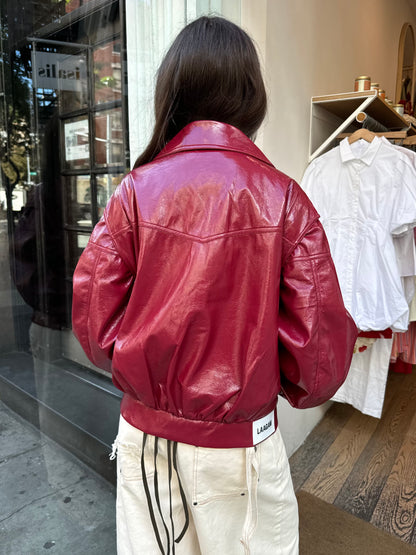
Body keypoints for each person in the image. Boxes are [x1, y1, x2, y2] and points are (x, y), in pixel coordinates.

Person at [72, 15, 357, 555]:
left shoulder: (134, 191)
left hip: (146, 443)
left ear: (173, 91)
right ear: (251, 97)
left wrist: (149, 375)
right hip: (241, 450)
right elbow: (316, 364)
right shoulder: (286, 199)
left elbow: (92, 323)